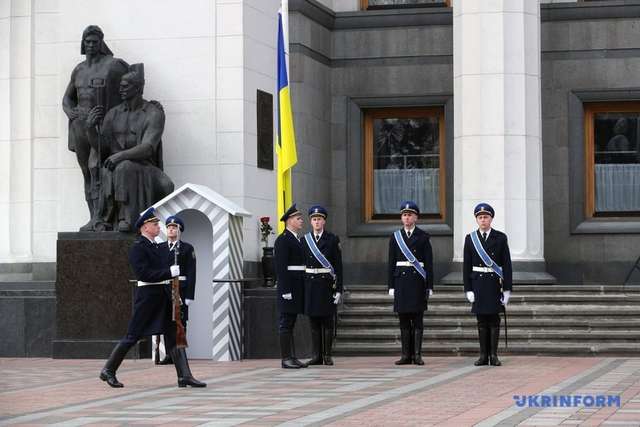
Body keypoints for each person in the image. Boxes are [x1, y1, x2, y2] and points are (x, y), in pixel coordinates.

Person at [99, 207, 205, 388]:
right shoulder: (138, 247)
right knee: (132, 336)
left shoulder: (156, 246)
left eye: (157, 224)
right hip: (148, 298)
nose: (158, 227)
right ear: (144, 227)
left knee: (174, 335)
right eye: (155, 224)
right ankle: (108, 370)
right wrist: (168, 272)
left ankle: (184, 375)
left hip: (163, 297)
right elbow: (144, 274)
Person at [86, 63, 174, 232]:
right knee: (118, 168)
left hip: (145, 167)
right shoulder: (113, 114)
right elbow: (102, 148)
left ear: (138, 88)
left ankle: (128, 218)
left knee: (124, 167)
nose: (121, 90)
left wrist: (120, 156)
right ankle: (107, 218)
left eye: (125, 86)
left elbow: (148, 148)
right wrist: (90, 128)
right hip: (115, 166)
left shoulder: (153, 113)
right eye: (120, 86)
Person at [62, 25, 128, 230]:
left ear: (101, 43)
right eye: (87, 41)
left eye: (94, 41)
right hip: (79, 126)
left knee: (98, 168)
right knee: (87, 173)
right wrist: (69, 111)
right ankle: (93, 217)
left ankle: (105, 218)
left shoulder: (114, 65)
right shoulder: (79, 69)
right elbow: (67, 98)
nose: (90, 45)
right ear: (83, 43)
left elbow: (131, 88)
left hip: (102, 124)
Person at [463, 203, 513, 367]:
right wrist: (468, 289)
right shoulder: (470, 238)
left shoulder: (500, 237)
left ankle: (494, 355)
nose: (483, 220)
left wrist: (507, 290)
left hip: (494, 284)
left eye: (486, 217)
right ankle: (483, 355)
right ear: (476, 219)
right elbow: (466, 266)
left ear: (491, 218)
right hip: (478, 284)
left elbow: (507, 265)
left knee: (494, 320)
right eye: (480, 217)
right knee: (481, 321)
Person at [388, 201, 433, 366]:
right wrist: (390, 285)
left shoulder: (423, 236)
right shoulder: (395, 237)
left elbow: (429, 263)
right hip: (401, 282)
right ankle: (406, 354)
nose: (407, 218)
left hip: (417, 282)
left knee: (418, 320)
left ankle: (417, 354)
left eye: (410, 215)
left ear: (416, 217)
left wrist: (430, 285)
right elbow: (391, 263)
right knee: (404, 321)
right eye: (404, 215)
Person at [302, 205, 343, 366]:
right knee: (313, 323)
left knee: (327, 322)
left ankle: (327, 355)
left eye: (319, 219)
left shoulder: (332, 239)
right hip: (311, 285)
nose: (317, 222)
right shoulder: (305, 240)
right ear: (310, 222)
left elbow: (338, 267)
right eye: (314, 219)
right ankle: (316, 355)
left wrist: (338, 289)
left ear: (324, 221)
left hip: (326, 286)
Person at [156, 215, 197, 365]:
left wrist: (190, 295)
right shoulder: (160, 248)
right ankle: (169, 354)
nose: (171, 229)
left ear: (180, 231)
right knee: (166, 321)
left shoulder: (186, 248)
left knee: (180, 321)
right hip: (164, 289)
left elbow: (192, 272)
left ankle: (179, 353)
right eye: (169, 227)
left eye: (174, 227)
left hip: (181, 289)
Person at [273, 204, 308, 369]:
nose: (301, 221)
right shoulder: (283, 239)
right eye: (298, 218)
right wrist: (285, 290)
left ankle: (292, 357)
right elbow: (281, 267)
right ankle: (286, 358)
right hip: (288, 287)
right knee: (285, 323)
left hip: (296, 285)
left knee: (291, 322)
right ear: (289, 221)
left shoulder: (296, 239)